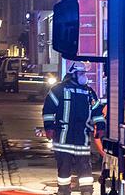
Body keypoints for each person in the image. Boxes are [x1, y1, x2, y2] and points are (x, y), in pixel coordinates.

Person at [42, 64, 106, 195]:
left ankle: (87, 191)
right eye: (81, 73)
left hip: (82, 137)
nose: (84, 76)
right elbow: (48, 110)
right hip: (63, 138)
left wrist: (100, 126)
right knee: (64, 169)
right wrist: (49, 127)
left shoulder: (89, 92)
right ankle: (64, 191)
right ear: (73, 74)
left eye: (84, 73)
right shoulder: (59, 90)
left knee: (85, 168)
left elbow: (97, 112)